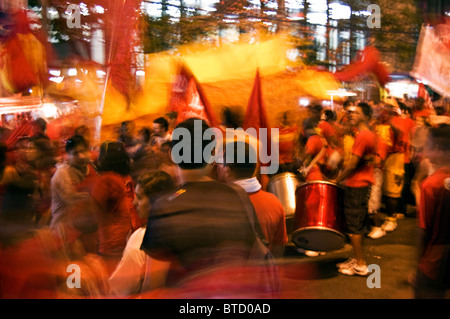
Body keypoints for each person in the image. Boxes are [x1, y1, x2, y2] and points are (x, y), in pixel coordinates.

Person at [141, 118, 280, 298]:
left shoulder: (165, 205)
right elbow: (254, 257)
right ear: (212, 153)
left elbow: (154, 284)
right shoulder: (237, 195)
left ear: (173, 155)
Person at [108, 171, 176, 297]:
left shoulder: (140, 239)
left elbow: (120, 288)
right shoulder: (183, 228)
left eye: (139, 197)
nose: (134, 203)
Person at [217, 140, 288, 257]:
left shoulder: (220, 204)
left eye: (220, 163)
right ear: (255, 168)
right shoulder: (274, 203)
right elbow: (278, 251)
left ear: (227, 171)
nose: (217, 167)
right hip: (261, 272)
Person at [333, 102, 377, 276]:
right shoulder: (367, 134)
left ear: (365, 116)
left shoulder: (363, 136)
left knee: (354, 227)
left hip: (357, 185)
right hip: (360, 184)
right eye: (350, 113)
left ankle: (360, 264)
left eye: (356, 113)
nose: (351, 115)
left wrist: (337, 179)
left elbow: (352, 164)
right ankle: (355, 258)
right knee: (356, 225)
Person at [90, 140, 143, 275]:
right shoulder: (126, 178)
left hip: (112, 244)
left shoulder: (106, 180)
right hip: (130, 237)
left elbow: (93, 211)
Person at [414, 124, 450, 298]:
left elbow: (424, 231)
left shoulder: (431, 185)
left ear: (436, 148)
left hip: (433, 264)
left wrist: (417, 265)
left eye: (427, 143)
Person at [49, 135, 97, 228]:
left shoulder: (91, 168)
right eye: (75, 153)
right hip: (64, 231)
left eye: (83, 151)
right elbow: (75, 201)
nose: (81, 156)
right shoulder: (62, 174)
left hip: (86, 229)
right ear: (67, 156)